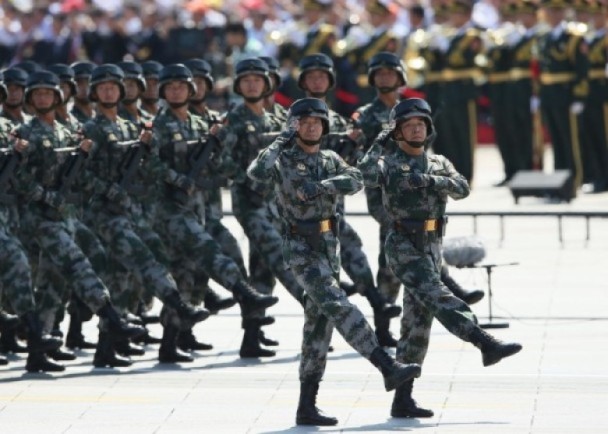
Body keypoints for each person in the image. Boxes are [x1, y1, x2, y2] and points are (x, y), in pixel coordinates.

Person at [247, 97, 422, 426]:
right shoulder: (282, 158)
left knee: (318, 327)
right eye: (304, 122)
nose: (311, 126)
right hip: (300, 247)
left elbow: (355, 180)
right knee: (339, 304)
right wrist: (280, 141)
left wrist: (324, 185)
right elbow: (256, 173)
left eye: (317, 121)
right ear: (294, 126)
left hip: (329, 246)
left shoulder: (329, 158)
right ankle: (386, 365)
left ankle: (306, 406)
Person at [358, 98, 522, 418]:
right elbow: (363, 175)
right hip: (403, 245)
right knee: (439, 295)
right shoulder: (388, 163)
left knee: (416, 327)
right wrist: (378, 141)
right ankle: (484, 342)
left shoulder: (438, 162)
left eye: (421, 124)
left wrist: (432, 181)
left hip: (432, 245)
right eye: (408, 126)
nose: (416, 129)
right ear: (398, 132)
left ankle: (403, 399)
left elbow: (462, 188)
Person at [150, 63, 278, 362]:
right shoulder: (156, 126)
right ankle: (243, 292)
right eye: (171, 87)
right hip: (169, 211)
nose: (177, 91)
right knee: (209, 251)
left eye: (182, 86)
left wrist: (232, 168)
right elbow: (151, 164)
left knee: (187, 275)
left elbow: (218, 162)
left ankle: (172, 342)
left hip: (199, 210)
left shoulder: (200, 125)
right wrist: (177, 179)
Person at [538, 0, 589, 193]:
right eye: (550, 11)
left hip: (566, 94)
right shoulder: (545, 37)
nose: (554, 15)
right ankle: (559, 181)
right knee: (556, 141)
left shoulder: (573, 37)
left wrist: (579, 96)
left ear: (564, 12)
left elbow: (582, 69)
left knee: (570, 141)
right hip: (549, 95)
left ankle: (574, 180)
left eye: (558, 11)